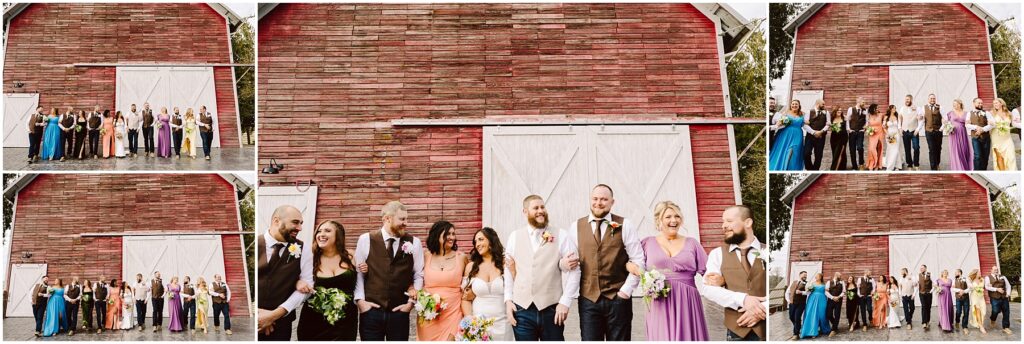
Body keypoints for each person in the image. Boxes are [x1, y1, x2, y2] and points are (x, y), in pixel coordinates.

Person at [569, 184, 645, 341]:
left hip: (618, 298)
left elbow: (638, 259)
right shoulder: (576, 226)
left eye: (604, 199)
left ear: (612, 202)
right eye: (595, 199)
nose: (599, 203)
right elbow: (572, 263)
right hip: (588, 300)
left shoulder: (625, 225)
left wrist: (625, 292)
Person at [503, 195, 579, 341]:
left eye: (542, 207)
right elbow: (508, 269)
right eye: (536, 208)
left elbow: (575, 270)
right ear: (525, 212)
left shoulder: (561, 235)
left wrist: (565, 302)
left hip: (551, 310)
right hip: (522, 310)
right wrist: (508, 301)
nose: (540, 211)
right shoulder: (514, 236)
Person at [635, 201, 708, 340]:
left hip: (687, 300)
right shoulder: (647, 243)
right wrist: (635, 269)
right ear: (659, 220)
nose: (673, 220)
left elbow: (709, 272)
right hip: (659, 301)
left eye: (677, 216)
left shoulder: (692, 243)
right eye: (668, 217)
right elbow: (631, 263)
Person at [353, 201, 424, 341]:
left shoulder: (414, 242)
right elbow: (359, 274)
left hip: (400, 312)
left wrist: (410, 304)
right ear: (387, 218)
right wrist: (361, 302)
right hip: (371, 312)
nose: (406, 223)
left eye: (406, 219)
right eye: (402, 219)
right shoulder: (365, 239)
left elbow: (418, 275)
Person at [700, 205, 767, 341]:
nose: (724, 226)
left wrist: (761, 309)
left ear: (748, 222)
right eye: (723, 222)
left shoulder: (767, 251)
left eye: (729, 221)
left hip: (768, 330)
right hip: (737, 332)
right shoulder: (717, 254)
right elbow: (707, 289)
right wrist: (743, 299)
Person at [257, 205, 314, 341]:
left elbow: (307, 286)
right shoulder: (255, 243)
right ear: (276, 221)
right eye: (295, 222)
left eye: (301, 223)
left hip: (281, 325)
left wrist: (273, 315)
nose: (299, 228)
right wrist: (258, 316)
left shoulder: (303, 248)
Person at [297, 220, 359, 340]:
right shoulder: (310, 258)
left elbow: (366, 280)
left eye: (327, 230)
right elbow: (292, 278)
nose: (321, 234)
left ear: (338, 235)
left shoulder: (351, 256)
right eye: (319, 231)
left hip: (345, 322)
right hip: (313, 322)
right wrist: (297, 282)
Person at [417, 220, 467, 340]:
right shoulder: (426, 255)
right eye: (447, 234)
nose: (451, 237)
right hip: (429, 315)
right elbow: (413, 275)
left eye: (453, 234)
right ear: (437, 235)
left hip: (453, 313)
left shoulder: (461, 257)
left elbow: (471, 280)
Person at [461, 227, 512, 341]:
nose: (477, 244)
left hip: (504, 324)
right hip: (479, 324)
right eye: (475, 242)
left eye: (480, 239)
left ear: (491, 241)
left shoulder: (505, 263)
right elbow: (465, 299)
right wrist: (470, 321)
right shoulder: (471, 267)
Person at [769, 99, 805, 171]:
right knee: (783, 151)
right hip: (785, 134)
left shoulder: (803, 114)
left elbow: (806, 124)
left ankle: (791, 168)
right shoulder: (785, 113)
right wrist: (778, 124)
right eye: (793, 104)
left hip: (797, 135)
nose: (794, 105)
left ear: (799, 106)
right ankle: (781, 167)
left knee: (795, 150)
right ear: (791, 105)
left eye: (796, 104)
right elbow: (779, 123)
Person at [989, 98, 1019, 171]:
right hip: (996, 137)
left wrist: (1019, 121)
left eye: (996, 103)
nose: (995, 105)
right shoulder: (991, 113)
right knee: (999, 157)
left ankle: (1013, 171)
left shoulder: (1009, 113)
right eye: (994, 103)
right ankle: (1001, 172)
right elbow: (989, 125)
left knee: (1011, 156)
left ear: (1001, 103)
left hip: (1007, 138)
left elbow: (1014, 123)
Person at [800, 273, 831, 338]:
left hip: (822, 300)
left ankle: (824, 328)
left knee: (822, 314)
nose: (816, 277)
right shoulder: (812, 284)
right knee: (812, 314)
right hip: (812, 299)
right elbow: (808, 292)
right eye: (816, 276)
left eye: (817, 276)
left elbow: (827, 292)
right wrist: (805, 291)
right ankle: (812, 332)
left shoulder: (824, 284)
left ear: (820, 277)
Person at [965, 97, 993, 170]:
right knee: (977, 156)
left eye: (981, 103)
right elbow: (967, 124)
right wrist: (976, 127)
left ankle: (984, 170)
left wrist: (982, 130)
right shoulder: (969, 113)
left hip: (986, 138)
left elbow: (992, 124)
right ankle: (976, 170)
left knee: (985, 156)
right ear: (974, 103)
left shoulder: (987, 113)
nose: (980, 104)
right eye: (979, 103)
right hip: (975, 138)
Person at [898, 94, 924, 170]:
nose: (907, 100)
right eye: (906, 99)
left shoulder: (917, 108)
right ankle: (909, 164)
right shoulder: (902, 108)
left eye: (908, 99)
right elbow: (900, 119)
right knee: (907, 149)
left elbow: (921, 119)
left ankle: (916, 165)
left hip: (914, 131)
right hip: (905, 131)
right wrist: (899, 128)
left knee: (916, 148)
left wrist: (918, 129)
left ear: (911, 100)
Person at [985, 266, 1012, 334]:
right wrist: (996, 289)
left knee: (1006, 312)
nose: (996, 271)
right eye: (994, 270)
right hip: (994, 298)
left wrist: (1008, 294)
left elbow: (1008, 286)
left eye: (997, 270)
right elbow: (987, 287)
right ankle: (993, 319)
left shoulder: (1003, 277)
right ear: (991, 270)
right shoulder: (988, 277)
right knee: (995, 310)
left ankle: (1006, 327)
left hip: (1004, 297)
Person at [947, 99, 973, 170]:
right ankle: (958, 168)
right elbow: (946, 122)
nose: (955, 105)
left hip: (963, 134)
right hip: (953, 134)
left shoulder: (966, 113)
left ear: (960, 104)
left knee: (964, 150)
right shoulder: (950, 113)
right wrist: (949, 129)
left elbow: (969, 122)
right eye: (954, 104)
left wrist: (970, 122)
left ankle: (965, 167)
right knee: (956, 151)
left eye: (956, 104)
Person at [802, 99, 829, 170]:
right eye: (823, 104)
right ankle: (809, 168)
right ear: (817, 104)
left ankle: (816, 169)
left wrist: (821, 131)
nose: (824, 106)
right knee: (806, 153)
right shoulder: (809, 112)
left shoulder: (826, 112)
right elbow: (805, 125)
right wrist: (814, 132)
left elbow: (828, 124)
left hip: (821, 136)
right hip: (810, 136)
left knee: (819, 155)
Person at [921, 94, 944, 170]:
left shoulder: (940, 107)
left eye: (934, 98)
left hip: (938, 131)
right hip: (929, 131)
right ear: (928, 99)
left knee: (938, 148)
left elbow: (944, 118)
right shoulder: (924, 108)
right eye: (931, 98)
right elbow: (922, 119)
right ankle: (933, 167)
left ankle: (937, 163)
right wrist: (918, 128)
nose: (932, 100)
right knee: (931, 149)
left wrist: (942, 128)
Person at [846, 97, 869, 170]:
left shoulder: (865, 110)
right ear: (858, 102)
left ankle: (861, 164)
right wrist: (848, 129)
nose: (864, 104)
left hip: (860, 132)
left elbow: (867, 121)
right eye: (863, 102)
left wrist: (865, 128)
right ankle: (854, 166)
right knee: (852, 149)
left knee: (860, 147)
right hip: (852, 132)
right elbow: (847, 120)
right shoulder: (850, 109)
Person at [785, 271, 808, 340]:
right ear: (800, 275)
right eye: (804, 275)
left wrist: (801, 292)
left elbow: (808, 293)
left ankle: (796, 334)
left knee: (797, 317)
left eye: (806, 275)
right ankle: (798, 326)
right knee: (791, 317)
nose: (805, 276)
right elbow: (787, 292)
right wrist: (788, 301)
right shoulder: (793, 282)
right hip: (792, 303)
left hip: (801, 303)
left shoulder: (807, 284)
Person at [883, 105, 905, 171]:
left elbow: (899, 126)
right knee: (891, 149)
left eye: (895, 108)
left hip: (896, 134)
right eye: (893, 108)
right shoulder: (886, 117)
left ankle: (897, 166)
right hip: (889, 134)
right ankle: (890, 165)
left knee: (896, 149)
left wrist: (900, 132)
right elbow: (884, 127)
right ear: (890, 109)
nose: (894, 109)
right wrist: (887, 134)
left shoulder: (897, 116)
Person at [865, 104, 885, 170]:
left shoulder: (881, 115)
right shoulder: (869, 115)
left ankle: (877, 165)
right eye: (875, 108)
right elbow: (867, 124)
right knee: (871, 148)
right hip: (872, 133)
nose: (877, 109)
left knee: (879, 148)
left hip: (880, 133)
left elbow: (886, 119)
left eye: (877, 108)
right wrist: (867, 130)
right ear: (872, 109)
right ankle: (872, 163)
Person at [828, 105, 848, 170]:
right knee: (835, 153)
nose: (839, 111)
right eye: (838, 110)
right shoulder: (831, 119)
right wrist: (830, 128)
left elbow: (847, 127)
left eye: (840, 110)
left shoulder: (844, 118)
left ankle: (834, 169)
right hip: (833, 138)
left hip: (842, 138)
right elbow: (829, 128)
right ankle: (841, 167)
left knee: (838, 153)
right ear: (835, 111)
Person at [967, 269, 987, 334]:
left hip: (981, 297)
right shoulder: (971, 280)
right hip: (974, 297)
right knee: (978, 311)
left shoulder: (982, 279)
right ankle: (981, 326)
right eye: (979, 272)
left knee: (983, 311)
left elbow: (984, 287)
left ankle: (979, 323)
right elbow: (970, 287)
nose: (980, 273)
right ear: (975, 273)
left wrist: (981, 289)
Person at [950, 269, 970, 333]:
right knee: (958, 311)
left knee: (966, 312)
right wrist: (959, 290)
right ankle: (957, 322)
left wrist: (964, 291)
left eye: (956, 272)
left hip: (966, 298)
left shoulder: (966, 279)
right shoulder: (954, 280)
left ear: (959, 273)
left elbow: (970, 287)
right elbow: (952, 288)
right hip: (958, 298)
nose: (955, 274)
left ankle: (965, 326)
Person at [918, 266, 933, 330]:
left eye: (922, 268)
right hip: (921, 293)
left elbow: (934, 283)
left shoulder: (930, 274)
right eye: (920, 268)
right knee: (923, 306)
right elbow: (916, 284)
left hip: (929, 293)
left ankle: (928, 321)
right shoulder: (918, 275)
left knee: (928, 307)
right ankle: (924, 322)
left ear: (926, 269)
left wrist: (931, 291)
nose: (921, 269)